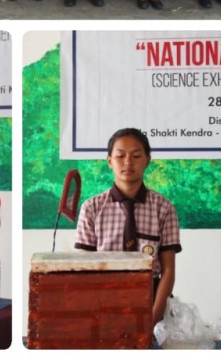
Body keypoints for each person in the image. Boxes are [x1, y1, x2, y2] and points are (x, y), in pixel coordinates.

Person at [75, 128, 181, 327]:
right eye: (120, 156)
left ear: (148, 160)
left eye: (136, 156)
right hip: (103, 299)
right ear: (109, 161)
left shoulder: (164, 208)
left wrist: (153, 316)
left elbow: (168, 271)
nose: (128, 162)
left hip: (153, 299)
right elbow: (84, 269)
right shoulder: (92, 208)